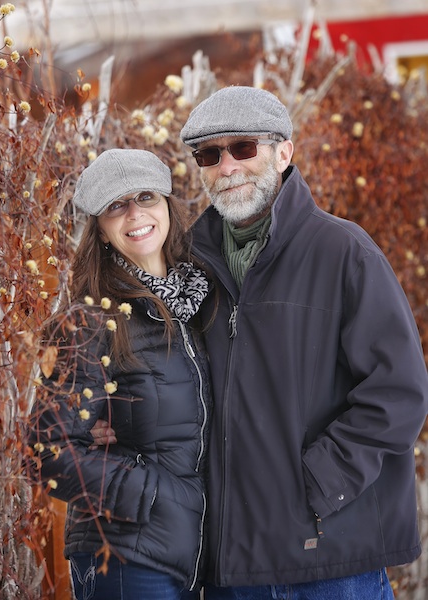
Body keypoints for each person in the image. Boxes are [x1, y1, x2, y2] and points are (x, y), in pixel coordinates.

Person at [176, 86, 428, 599]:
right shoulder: (187, 268)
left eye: (243, 148)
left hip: (331, 559)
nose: (227, 167)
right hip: (233, 567)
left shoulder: (344, 253)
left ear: (284, 151)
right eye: (210, 154)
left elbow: (398, 391)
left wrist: (321, 482)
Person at [28, 148, 213, 600]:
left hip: (189, 555)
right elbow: (45, 449)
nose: (135, 214)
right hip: (128, 557)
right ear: (103, 231)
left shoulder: (198, 300)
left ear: (168, 205)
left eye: (146, 197)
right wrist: (145, 493)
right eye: (116, 205)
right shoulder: (95, 318)